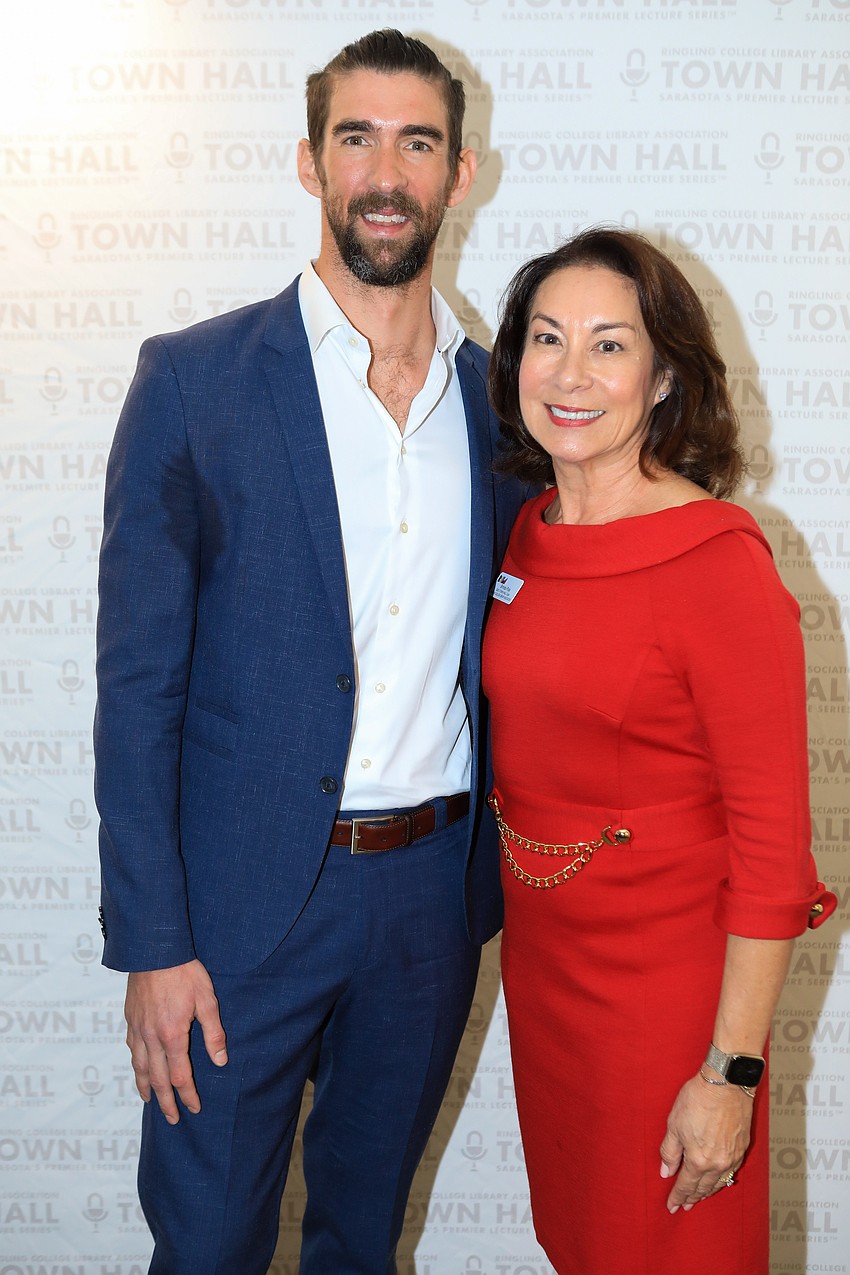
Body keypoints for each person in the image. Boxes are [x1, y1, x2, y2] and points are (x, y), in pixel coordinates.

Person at [94, 29, 526, 1275]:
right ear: (307, 162)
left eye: (417, 141)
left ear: (461, 172)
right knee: (211, 1243)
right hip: (234, 916)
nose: (385, 171)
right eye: (356, 138)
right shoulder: (193, 382)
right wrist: (155, 943)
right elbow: (136, 691)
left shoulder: (501, 406)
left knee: (360, 1237)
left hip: (429, 903)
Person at [482, 227, 836, 1275]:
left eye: (608, 344)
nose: (571, 373)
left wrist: (731, 1073)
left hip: (673, 1003)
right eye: (548, 339)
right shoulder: (528, 532)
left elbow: (775, 858)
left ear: (664, 374)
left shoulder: (718, 563)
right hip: (550, 984)